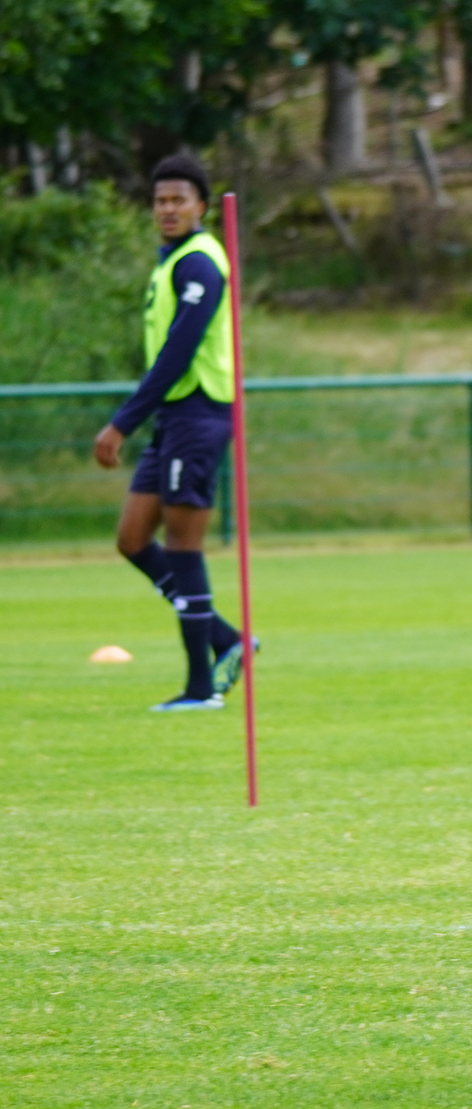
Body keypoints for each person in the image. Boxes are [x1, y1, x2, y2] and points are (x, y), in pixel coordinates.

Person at [92, 155, 248, 712]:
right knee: (132, 538)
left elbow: (180, 353)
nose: (168, 209)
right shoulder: (172, 262)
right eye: (160, 201)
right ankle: (227, 639)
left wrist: (122, 422)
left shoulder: (201, 263)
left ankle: (201, 690)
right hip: (174, 418)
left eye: (179, 199)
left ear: (202, 206)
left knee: (184, 548)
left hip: (199, 415)